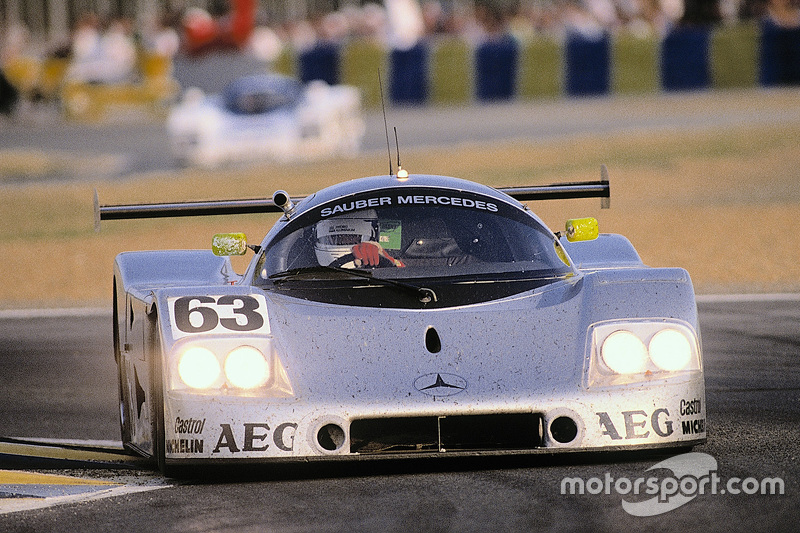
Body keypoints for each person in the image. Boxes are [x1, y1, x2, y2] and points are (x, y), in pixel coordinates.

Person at [313, 211, 405, 268]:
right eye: (337, 238)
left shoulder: (380, 262)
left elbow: (403, 273)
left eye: (352, 238)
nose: (345, 241)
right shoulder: (306, 268)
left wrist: (385, 259)